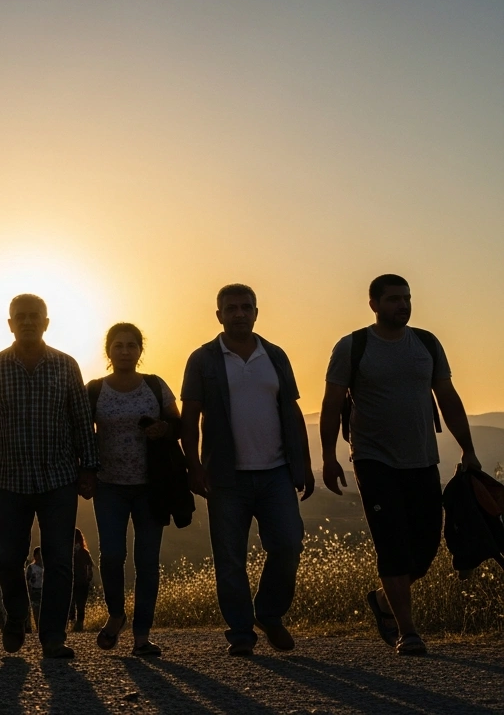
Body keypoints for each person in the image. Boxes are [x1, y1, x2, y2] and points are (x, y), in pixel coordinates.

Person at [319, 275, 479, 656]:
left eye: (406, 298)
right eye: (393, 300)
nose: (402, 305)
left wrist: (468, 449)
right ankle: (408, 631)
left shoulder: (426, 343)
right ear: (374, 304)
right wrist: (327, 456)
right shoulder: (353, 346)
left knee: (424, 548)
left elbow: (447, 397)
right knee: (391, 544)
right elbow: (330, 404)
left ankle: (381, 598)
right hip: (373, 459)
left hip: (422, 458)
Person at [0, 294, 98, 658]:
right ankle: (17, 616)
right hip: (10, 481)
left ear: (46, 322)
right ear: (10, 324)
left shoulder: (66, 366)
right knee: (7, 559)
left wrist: (89, 468)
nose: (26, 322)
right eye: (19, 317)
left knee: (59, 561)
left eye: (33, 316)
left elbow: (82, 421)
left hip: (59, 479)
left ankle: (53, 635)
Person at [181, 284, 312, 656]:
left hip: (276, 472)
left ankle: (268, 613)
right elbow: (189, 417)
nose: (239, 313)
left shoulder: (275, 355)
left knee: (288, 545)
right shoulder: (203, 359)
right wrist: (193, 465)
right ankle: (240, 633)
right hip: (226, 476)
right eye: (231, 308)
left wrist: (303, 463)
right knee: (230, 559)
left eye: (246, 307)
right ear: (219, 315)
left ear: (256, 312)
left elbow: (292, 409)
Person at [88, 322, 181, 656]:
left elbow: (178, 423)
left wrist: (164, 429)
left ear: (140, 351)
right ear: (108, 351)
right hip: (109, 485)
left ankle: (142, 636)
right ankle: (116, 616)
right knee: (111, 556)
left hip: (150, 487)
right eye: (118, 345)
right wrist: (85, 473)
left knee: (147, 562)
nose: (125, 351)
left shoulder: (154, 386)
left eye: (131, 345)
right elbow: (83, 434)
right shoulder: (95, 390)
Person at [69, 529, 93, 632]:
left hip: (74, 581)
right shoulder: (84, 552)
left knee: (73, 604)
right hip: (81, 582)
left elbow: (89, 568)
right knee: (79, 604)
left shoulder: (70, 552)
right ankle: (78, 625)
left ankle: (75, 625)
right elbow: (90, 568)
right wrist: (88, 579)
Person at [25, 547, 44, 632]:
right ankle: (37, 628)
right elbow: (27, 580)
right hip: (35, 590)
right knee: (36, 610)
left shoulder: (46, 567)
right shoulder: (31, 567)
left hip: (44, 590)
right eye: (38, 554)